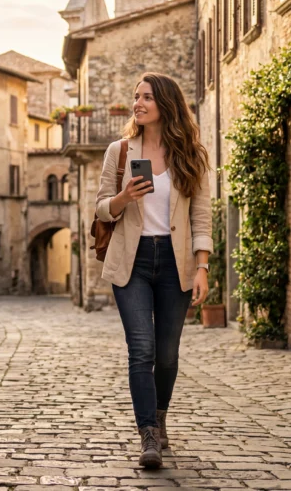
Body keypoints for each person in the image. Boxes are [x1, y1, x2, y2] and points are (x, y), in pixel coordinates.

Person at [94, 72, 212, 469]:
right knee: (140, 350)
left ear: (165, 103)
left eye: (146, 97)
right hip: (133, 261)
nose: (138, 103)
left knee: (167, 354)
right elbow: (99, 208)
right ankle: (147, 434)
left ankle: (160, 418)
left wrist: (202, 267)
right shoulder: (120, 152)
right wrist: (124, 197)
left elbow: (201, 215)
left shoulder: (191, 154)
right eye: (135, 97)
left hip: (175, 263)